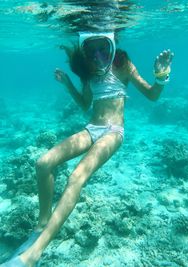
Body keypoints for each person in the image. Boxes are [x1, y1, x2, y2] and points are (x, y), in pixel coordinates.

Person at [1, 31, 174, 267]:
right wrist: (68, 84)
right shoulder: (88, 71)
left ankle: (35, 253)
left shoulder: (124, 64)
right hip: (91, 128)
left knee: (76, 177)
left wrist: (161, 75)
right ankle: (41, 226)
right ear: (85, 51)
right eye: (92, 51)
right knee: (43, 163)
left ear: (112, 45)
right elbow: (85, 105)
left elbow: (152, 95)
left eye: (103, 48)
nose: (99, 55)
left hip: (114, 131)